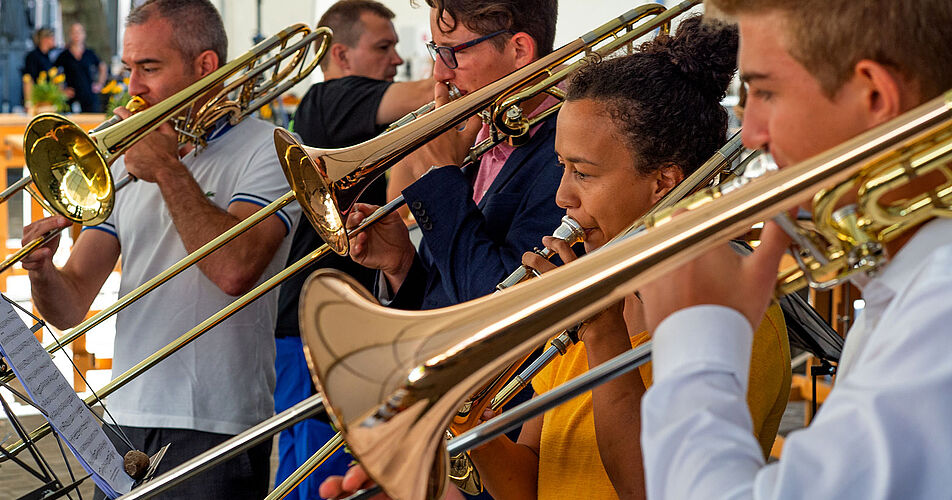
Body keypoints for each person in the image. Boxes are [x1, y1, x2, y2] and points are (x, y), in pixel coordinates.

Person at [319, 16, 791, 500]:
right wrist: (466, 417)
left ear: (663, 183)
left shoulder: (734, 310)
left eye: (583, 173)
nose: (563, 195)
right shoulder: (592, 285)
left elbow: (655, 489)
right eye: (561, 166)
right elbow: (529, 482)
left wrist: (603, 335)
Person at [637, 1, 952, 498]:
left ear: (874, 95)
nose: (753, 133)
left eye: (764, 91)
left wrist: (694, 341)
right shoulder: (914, 282)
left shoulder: (940, 307)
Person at [20, 1, 299, 498]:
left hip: (217, 422)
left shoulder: (270, 148)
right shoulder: (128, 163)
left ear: (205, 67)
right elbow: (71, 304)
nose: (133, 87)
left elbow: (234, 270)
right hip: (123, 419)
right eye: (129, 68)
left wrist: (169, 169)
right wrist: (43, 270)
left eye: (150, 67)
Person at [272, 1, 434, 497]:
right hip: (311, 317)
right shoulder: (327, 100)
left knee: (323, 467)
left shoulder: (364, 125)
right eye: (383, 47)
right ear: (340, 54)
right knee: (316, 467)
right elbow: (427, 92)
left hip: (349, 313)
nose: (395, 58)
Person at [347, 0, 564, 312]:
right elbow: (446, 296)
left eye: (452, 52)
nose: (439, 74)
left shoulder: (566, 154)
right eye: (436, 51)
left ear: (519, 50)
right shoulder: (479, 134)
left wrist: (440, 178)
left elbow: (498, 304)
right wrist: (402, 263)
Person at [56, 22, 107, 113]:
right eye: (74, 32)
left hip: (89, 97)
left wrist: (99, 84)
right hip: (70, 98)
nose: (77, 35)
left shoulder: (89, 53)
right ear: (70, 35)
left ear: (84, 34)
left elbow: (103, 67)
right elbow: (53, 73)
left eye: (79, 32)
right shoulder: (64, 55)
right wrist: (61, 90)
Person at [21, 27, 58, 111]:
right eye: (52, 38)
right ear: (44, 39)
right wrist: (28, 102)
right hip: (36, 100)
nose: (54, 40)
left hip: (46, 100)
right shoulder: (32, 56)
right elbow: (28, 79)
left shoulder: (48, 56)